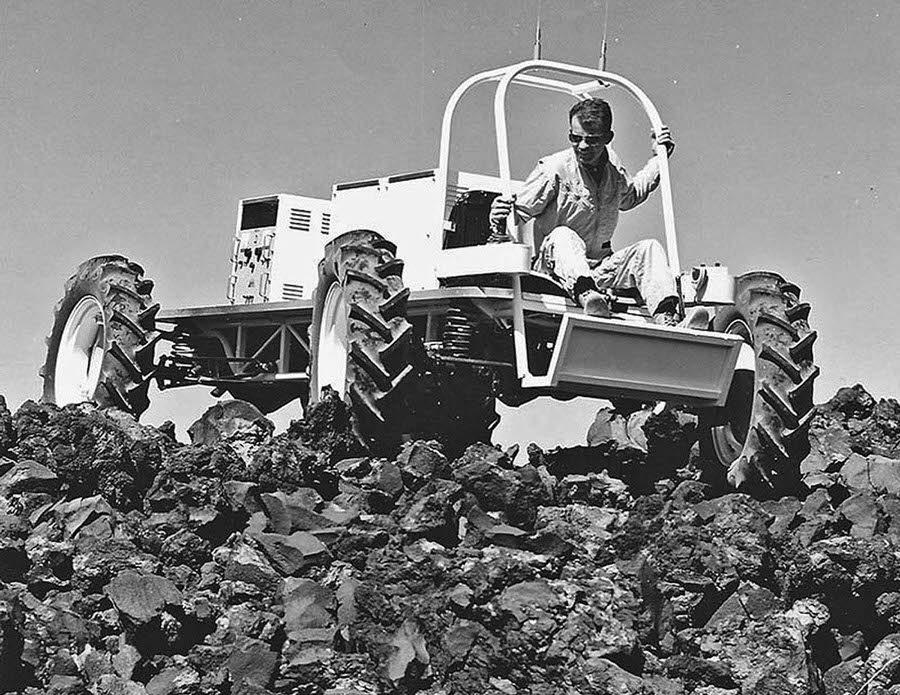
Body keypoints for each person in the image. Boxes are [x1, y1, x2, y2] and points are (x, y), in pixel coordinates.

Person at [488, 98, 704, 327]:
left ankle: (667, 317)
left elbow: (631, 195)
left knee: (649, 248)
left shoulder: (613, 170)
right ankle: (587, 296)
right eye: (575, 138)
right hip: (552, 273)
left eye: (591, 141)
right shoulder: (554, 169)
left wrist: (658, 159)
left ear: (607, 139)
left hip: (598, 273)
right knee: (564, 235)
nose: (582, 146)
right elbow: (515, 214)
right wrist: (497, 218)